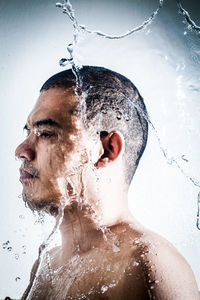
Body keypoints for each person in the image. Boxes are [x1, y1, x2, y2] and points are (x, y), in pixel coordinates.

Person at [15, 66, 199, 300]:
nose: (21, 150)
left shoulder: (149, 263)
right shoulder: (45, 265)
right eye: (28, 131)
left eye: (47, 133)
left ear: (106, 150)